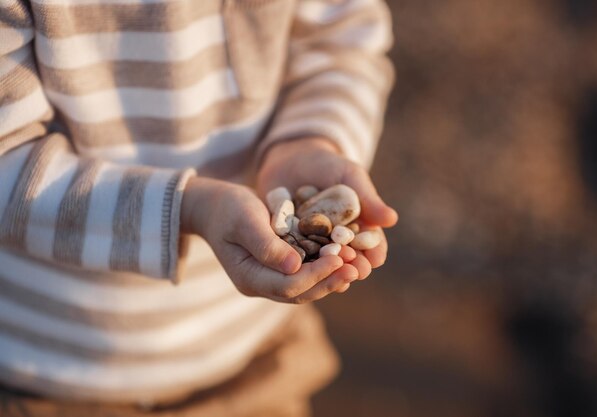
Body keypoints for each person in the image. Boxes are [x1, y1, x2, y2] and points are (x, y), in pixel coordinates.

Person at [0, 0, 397, 414]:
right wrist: (185, 208)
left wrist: (310, 139)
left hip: (249, 355)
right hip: (48, 374)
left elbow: (343, 45)